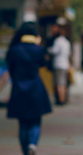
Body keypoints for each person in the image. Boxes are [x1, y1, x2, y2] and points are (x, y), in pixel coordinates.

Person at [6, 22, 52, 155]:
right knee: (36, 121)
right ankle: (33, 144)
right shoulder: (38, 49)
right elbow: (45, 63)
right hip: (36, 89)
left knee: (22, 123)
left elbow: (11, 69)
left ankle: (25, 152)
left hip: (19, 90)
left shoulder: (14, 50)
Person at [47, 24, 71, 105]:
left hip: (58, 64)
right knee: (64, 83)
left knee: (59, 83)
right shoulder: (67, 42)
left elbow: (54, 51)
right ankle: (64, 98)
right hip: (65, 64)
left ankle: (60, 100)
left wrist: (48, 50)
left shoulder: (57, 41)